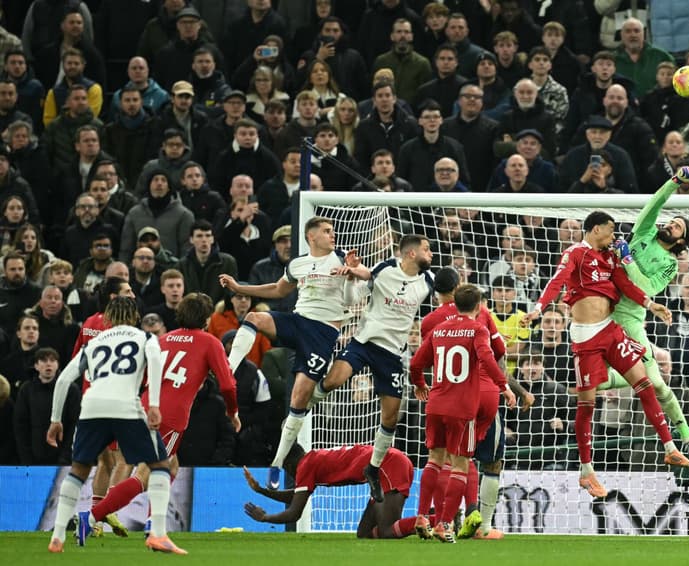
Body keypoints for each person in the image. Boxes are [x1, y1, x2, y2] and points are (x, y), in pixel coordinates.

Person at [523, 210, 689, 498]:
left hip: (610, 330)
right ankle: (586, 471)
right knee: (587, 405)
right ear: (596, 229)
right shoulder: (575, 253)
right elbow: (557, 279)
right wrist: (538, 309)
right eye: (611, 229)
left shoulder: (610, 257)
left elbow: (626, 284)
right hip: (585, 339)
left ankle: (670, 447)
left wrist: (651, 305)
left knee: (645, 383)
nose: (615, 235)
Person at [85, 293, 239, 533]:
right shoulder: (210, 342)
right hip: (169, 416)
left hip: (142, 407)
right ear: (207, 319)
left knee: (171, 466)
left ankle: (151, 522)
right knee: (146, 474)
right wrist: (233, 412)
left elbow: (143, 377)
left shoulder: (163, 339)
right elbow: (228, 386)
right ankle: (92, 517)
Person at [219, 216, 355, 487]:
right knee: (254, 318)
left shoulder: (343, 258)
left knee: (299, 398)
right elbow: (278, 289)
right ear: (311, 236)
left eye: (332, 231)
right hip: (297, 321)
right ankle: (228, 370)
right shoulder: (297, 264)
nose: (333, 235)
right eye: (327, 231)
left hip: (322, 334)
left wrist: (352, 274)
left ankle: (278, 462)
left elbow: (352, 299)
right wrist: (238, 287)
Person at [45, 296, 183, 554]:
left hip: (91, 408)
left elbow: (63, 380)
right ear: (135, 317)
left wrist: (55, 420)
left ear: (108, 317)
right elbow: (155, 364)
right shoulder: (145, 338)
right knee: (161, 466)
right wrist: (154, 404)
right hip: (126, 407)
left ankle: (58, 535)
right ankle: (158, 534)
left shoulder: (94, 342)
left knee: (78, 470)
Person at [305, 235, 435, 503]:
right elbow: (362, 282)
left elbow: (449, 294)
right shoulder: (386, 268)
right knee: (333, 381)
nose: (431, 253)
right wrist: (351, 272)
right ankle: (300, 410)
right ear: (411, 254)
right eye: (426, 249)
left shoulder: (428, 280)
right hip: (364, 342)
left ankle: (373, 469)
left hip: (392, 354)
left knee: (390, 418)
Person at [597, 167, 689, 464]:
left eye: (677, 227)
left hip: (630, 320)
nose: (670, 225)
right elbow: (654, 203)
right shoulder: (644, 232)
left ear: (681, 242)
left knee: (657, 384)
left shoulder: (669, 264)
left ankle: (687, 437)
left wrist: (628, 259)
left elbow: (644, 287)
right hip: (602, 313)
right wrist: (675, 182)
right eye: (671, 221)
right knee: (594, 381)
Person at [420, 267, 528, 539]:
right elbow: (497, 354)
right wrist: (510, 388)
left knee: (445, 459)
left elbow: (424, 360)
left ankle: (438, 518)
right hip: (482, 393)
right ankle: (481, 524)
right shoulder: (483, 317)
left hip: (445, 395)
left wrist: (420, 384)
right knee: (488, 460)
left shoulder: (431, 322)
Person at [243, 443, 417, 538]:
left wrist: (265, 518)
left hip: (388, 465)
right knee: (364, 534)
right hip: (387, 465)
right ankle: (424, 522)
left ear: (288, 465)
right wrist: (260, 490)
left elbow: (294, 513)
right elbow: (295, 497)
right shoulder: (311, 461)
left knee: (386, 531)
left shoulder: (305, 466)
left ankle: (428, 520)